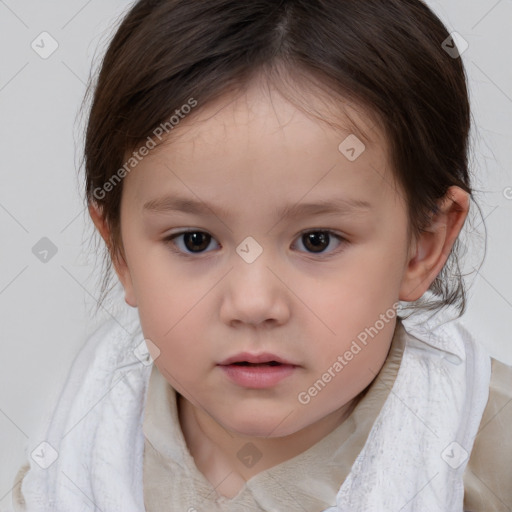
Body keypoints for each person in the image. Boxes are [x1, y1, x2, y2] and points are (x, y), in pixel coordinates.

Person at [12, 0, 512, 510]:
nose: (253, 304)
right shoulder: (82, 449)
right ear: (119, 248)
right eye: (195, 240)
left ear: (421, 248)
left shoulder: (486, 446)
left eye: (317, 240)